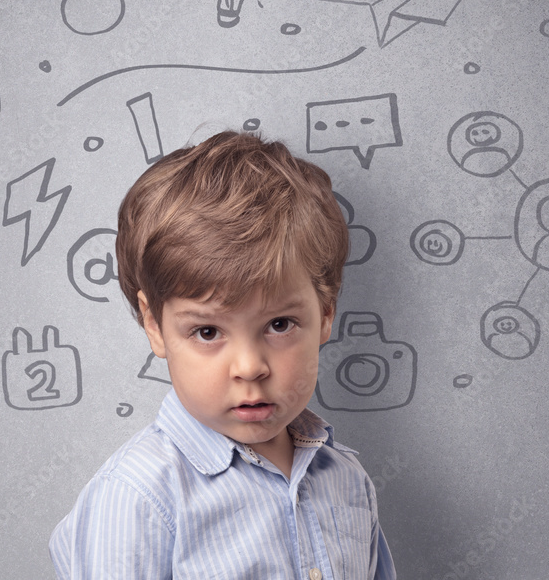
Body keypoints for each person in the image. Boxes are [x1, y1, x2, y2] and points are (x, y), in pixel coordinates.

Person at [49, 131, 396, 579]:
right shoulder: (138, 496)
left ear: (325, 313)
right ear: (154, 324)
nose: (250, 366)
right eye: (208, 331)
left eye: (279, 325)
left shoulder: (346, 478)